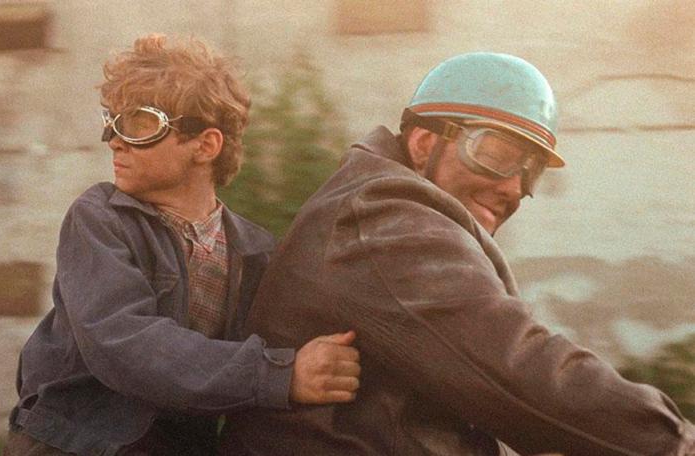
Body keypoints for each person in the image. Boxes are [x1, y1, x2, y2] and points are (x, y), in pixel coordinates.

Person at [219, 52, 695, 455]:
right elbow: (513, 367)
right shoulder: (384, 216)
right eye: (496, 154)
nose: (513, 187)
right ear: (424, 143)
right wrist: (675, 442)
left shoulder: (391, 214)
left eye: (530, 171)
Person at [3, 34, 361, 456]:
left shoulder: (255, 250)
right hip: (71, 443)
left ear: (205, 146)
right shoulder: (100, 218)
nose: (114, 140)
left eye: (139, 124)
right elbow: (124, 342)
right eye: (112, 121)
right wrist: (281, 375)